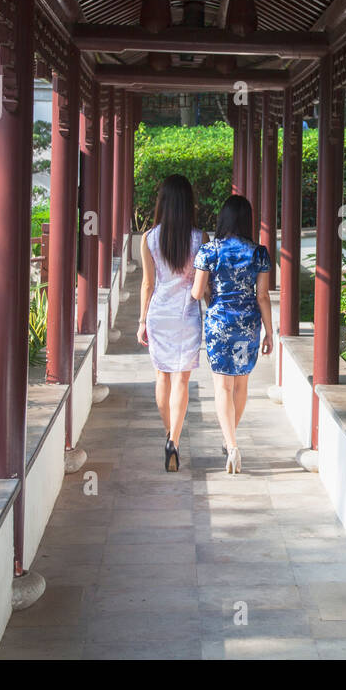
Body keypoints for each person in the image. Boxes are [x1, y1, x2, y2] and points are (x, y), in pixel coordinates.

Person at [191, 195, 273, 474]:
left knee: (222, 386)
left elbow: (196, 291)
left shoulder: (209, 251)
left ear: (223, 218)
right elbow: (262, 296)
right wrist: (269, 333)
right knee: (241, 385)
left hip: (219, 325)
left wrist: (209, 295)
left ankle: (232, 444)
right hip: (247, 326)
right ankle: (230, 441)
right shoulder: (258, 253)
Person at [136, 174, 205, 472]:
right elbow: (203, 283)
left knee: (162, 377)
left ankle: (169, 436)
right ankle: (175, 439)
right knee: (182, 380)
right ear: (188, 203)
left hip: (159, 313)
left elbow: (147, 284)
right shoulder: (200, 238)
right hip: (187, 314)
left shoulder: (149, 238)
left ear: (162, 202)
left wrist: (141, 321)